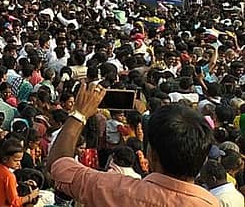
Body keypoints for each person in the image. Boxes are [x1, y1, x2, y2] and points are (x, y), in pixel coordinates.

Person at [47, 82, 219, 206]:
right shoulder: (212, 203)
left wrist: (79, 113)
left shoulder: (115, 190)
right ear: (204, 160)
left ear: (151, 155)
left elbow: (58, 165)